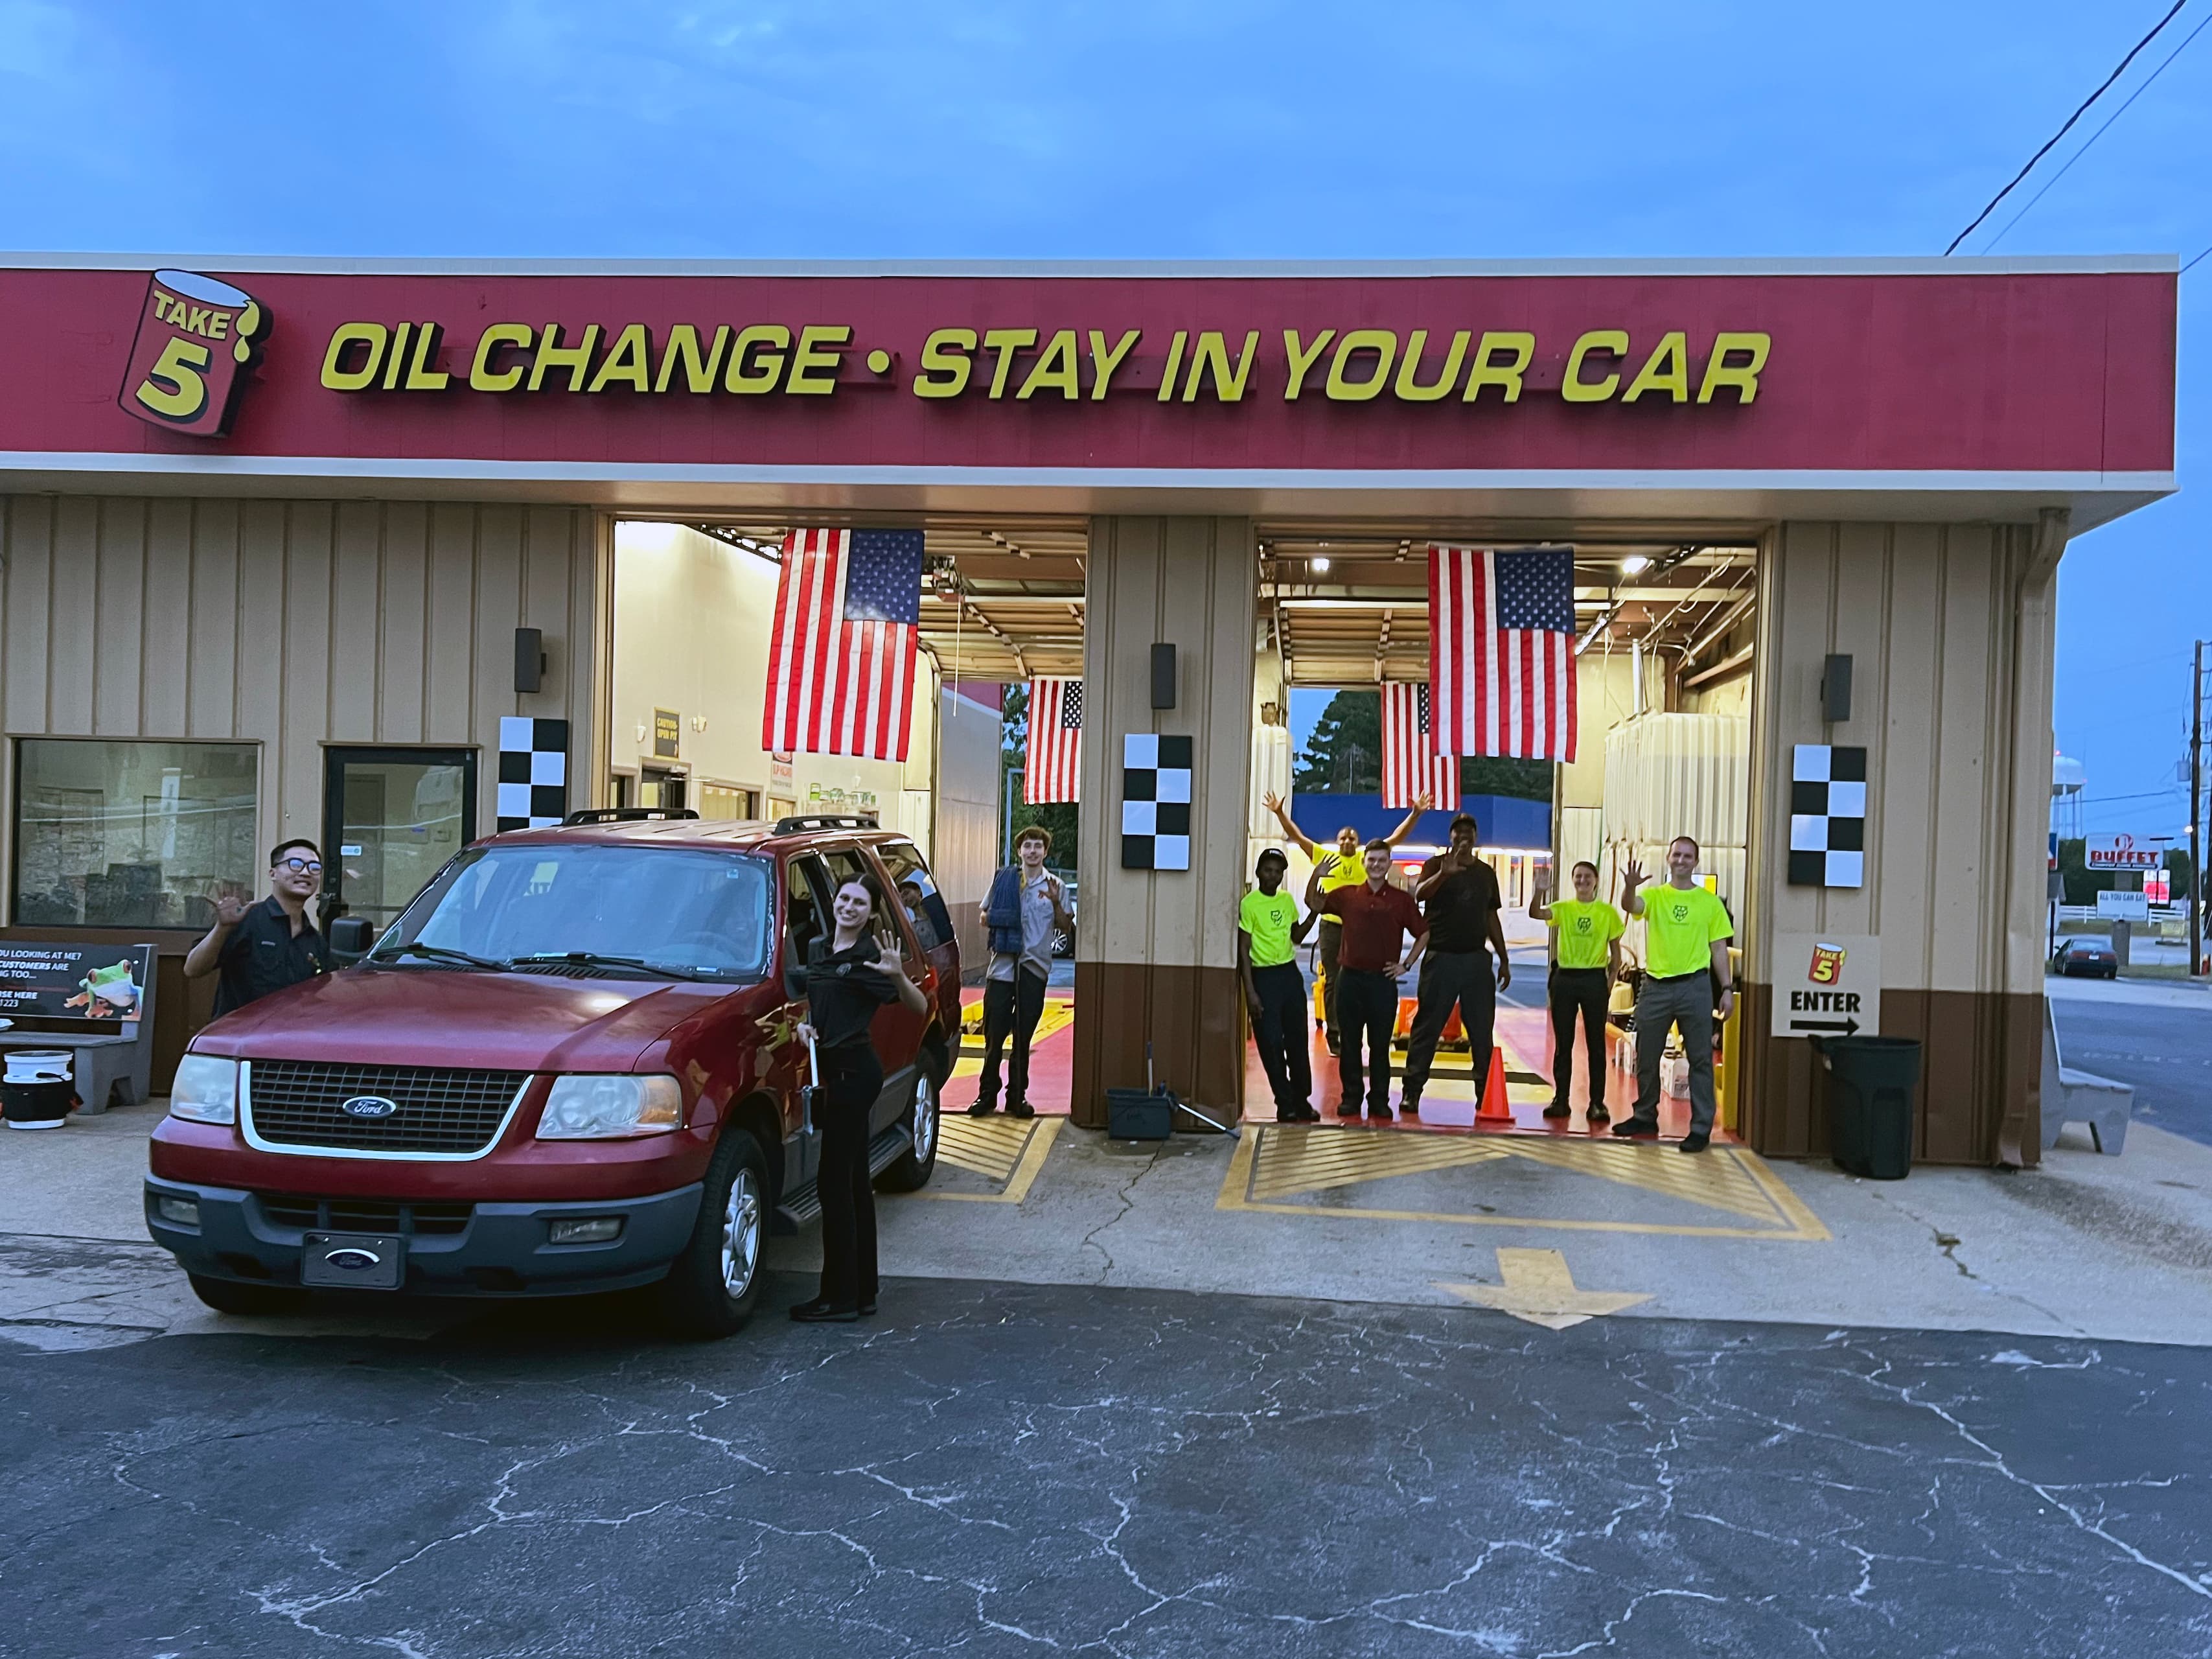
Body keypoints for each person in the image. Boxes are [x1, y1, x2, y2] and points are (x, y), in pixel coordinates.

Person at [793, 872, 928, 1323]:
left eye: (858, 903)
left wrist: (898, 976)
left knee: (834, 1184)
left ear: (871, 913)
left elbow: (918, 1007)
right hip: (832, 1069)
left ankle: (839, 1299)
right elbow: (820, 1002)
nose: (848, 907)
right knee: (852, 1184)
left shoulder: (872, 957)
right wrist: (805, 1026)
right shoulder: (816, 948)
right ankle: (862, 1292)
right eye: (844, 898)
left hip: (856, 1073)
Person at [1263, 789, 1429, 1054]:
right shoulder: (1324, 856)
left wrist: (1416, 813)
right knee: (1333, 980)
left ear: (1359, 843)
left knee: (1363, 978)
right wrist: (1280, 813)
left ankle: (1363, 1030)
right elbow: (1297, 836)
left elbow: (1396, 837)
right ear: (1337, 841)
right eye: (1343, 837)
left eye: (1352, 837)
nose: (1348, 840)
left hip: (1361, 927)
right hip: (1331, 926)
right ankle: (1335, 1033)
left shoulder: (1368, 858)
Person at [1612, 837, 1735, 1154]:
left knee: (1700, 1061)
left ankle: (1700, 1128)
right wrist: (1629, 887)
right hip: (1655, 985)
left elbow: (1719, 948)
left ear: (1696, 862)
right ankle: (1644, 1116)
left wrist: (1727, 989)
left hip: (1695, 987)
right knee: (1647, 1055)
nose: (1681, 860)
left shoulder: (1710, 903)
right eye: (1676, 854)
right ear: (1668, 859)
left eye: (1688, 856)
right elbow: (1631, 906)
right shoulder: (1655, 896)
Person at [1306, 839, 1427, 1120]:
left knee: (1380, 1045)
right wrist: (1316, 875)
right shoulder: (1347, 896)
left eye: (1381, 861)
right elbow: (1314, 903)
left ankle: (1379, 1101)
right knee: (1350, 1043)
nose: (1376, 865)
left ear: (1389, 864)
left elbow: (1424, 933)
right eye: (1371, 860)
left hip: (1382, 984)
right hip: (1350, 980)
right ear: (1364, 863)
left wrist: (1406, 965)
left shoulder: (1401, 901)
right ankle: (1351, 1099)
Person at [1401, 813, 1511, 1116]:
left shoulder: (1487, 874)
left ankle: (1484, 1096)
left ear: (1476, 838)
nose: (1464, 837)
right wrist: (1444, 875)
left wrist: (1503, 958)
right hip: (1441, 957)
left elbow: (1492, 917)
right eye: (1458, 832)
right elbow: (1419, 895)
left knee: (1481, 1031)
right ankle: (1411, 1092)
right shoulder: (1436, 864)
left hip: (1476, 959)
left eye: (1469, 832)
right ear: (1450, 837)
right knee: (1427, 1028)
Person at [970, 824, 1071, 1118]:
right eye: (1027, 846)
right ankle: (986, 1095)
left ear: (1046, 852)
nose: (1032, 851)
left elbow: (1066, 927)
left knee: (1023, 1036)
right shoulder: (1004, 880)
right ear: (1019, 851)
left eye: (1038, 846)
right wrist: (1002, 917)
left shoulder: (1057, 887)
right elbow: (983, 916)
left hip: (1034, 968)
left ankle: (1017, 1096)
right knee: (994, 1035)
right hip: (1001, 967)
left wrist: (1054, 903)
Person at [183, 839, 332, 1016]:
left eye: (314, 867)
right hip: (240, 1038)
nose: (306, 872)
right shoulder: (247, 920)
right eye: (296, 864)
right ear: (273, 873)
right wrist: (223, 928)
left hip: (291, 1037)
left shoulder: (315, 941)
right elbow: (192, 969)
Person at [1528, 861, 1624, 1123]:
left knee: (1596, 1044)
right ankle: (1561, 1100)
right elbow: (1536, 913)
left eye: (1587, 877)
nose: (1582, 881)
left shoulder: (1608, 913)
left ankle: (1597, 1103)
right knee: (1564, 1044)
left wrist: (1610, 981)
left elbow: (1616, 952)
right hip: (1565, 979)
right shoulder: (1563, 908)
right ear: (1573, 880)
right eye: (1578, 876)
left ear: (1596, 880)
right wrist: (1539, 891)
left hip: (1594, 979)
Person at [1239, 848, 1319, 1122]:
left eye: (1278, 871)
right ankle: (1284, 1103)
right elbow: (1244, 947)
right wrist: (1250, 991)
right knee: (1271, 1044)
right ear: (1259, 872)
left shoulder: (1286, 901)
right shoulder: (1250, 904)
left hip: (1289, 975)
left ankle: (1302, 1100)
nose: (1273, 876)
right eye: (1268, 870)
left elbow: (1296, 937)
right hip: (1263, 978)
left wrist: (1313, 916)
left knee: (1298, 1041)